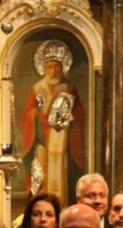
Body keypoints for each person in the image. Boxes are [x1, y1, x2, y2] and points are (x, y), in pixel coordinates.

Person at [20, 39, 85, 201]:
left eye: (57, 66)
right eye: (50, 66)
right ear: (44, 68)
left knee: (63, 174)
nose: (53, 71)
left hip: (63, 140)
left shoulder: (69, 87)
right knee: (42, 175)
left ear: (62, 68)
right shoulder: (37, 88)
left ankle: (63, 206)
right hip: (42, 142)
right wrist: (35, 114)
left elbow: (79, 111)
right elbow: (27, 114)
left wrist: (70, 116)